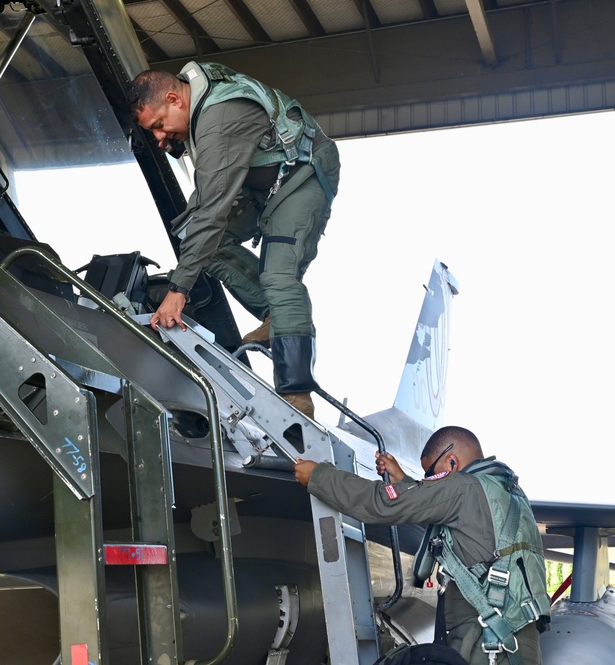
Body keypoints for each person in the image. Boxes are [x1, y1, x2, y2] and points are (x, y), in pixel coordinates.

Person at [128, 62, 341, 419]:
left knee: (278, 276)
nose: (160, 139)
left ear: (174, 99)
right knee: (196, 239)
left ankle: (297, 394)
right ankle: (280, 316)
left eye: (159, 126)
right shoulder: (199, 104)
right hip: (262, 183)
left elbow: (212, 209)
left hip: (302, 174)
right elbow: (204, 222)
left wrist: (178, 290)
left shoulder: (218, 117)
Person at [294, 426, 550, 665]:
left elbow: (382, 504)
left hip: (485, 644)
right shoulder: (505, 492)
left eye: (431, 473)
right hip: (514, 638)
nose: (431, 480)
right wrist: (404, 480)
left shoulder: (462, 487)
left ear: (452, 462)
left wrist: (320, 477)